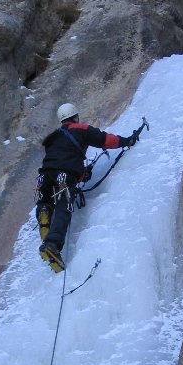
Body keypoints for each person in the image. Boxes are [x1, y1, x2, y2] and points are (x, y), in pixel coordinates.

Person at [35, 102, 139, 272]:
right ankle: (52, 244)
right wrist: (127, 141)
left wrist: (82, 173)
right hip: (64, 175)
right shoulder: (81, 129)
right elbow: (107, 140)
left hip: (43, 177)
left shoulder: (52, 138)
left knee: (44, 201)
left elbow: (61, 157)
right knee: (63, 207)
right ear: (75, 116)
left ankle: (44, 213)